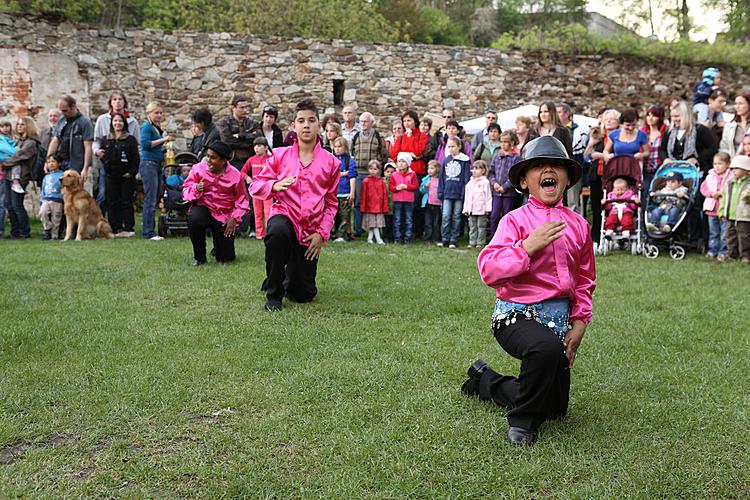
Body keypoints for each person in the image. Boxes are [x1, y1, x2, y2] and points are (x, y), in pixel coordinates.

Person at [463, 135, 595, 446]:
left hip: (558, 323)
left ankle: (485, 381)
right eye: (538, 166)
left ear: (565, 178)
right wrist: (526, 248)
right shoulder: (513, 221)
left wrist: (580, 322)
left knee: (555, 409)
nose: (548, 170)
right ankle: (522, 422)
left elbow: (586, 280)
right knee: (544, 350)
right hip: (515, 316)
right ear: (525, 180)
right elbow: (488, 269)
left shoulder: (579, 226)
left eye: (556, 166)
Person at [249, 99, 340, 312]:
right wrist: (275, 185)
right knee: (278, 232)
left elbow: (331, 203)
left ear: (319, 126)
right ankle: (273, 294)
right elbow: (256, 185)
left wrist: (321, 234)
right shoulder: (279, 156)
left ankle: (285, 271)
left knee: (302, 295)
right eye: (301, 121)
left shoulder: (331, 163)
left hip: (310, 230)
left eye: (311, 121)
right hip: (285, 214)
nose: (306, 125)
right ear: (293, 126)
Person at [183, 141, 250, 266]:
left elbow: (242, 200)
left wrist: (234, 218)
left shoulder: (235, 175)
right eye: (207, 156)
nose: (208, 160)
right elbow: (186, 189)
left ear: (224, 161)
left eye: (213, 157)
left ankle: (219, 248)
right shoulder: (198, 169)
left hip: (224, 214)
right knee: (194, 219)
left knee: (226, 258)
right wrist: (196, 188)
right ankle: (199, 257)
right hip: (204, 208)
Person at [93, 91, 140, 212]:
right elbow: (96, 140)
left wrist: (134, 168)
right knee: (104, 194)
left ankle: (125, 226)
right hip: (108, 163)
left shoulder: (132, 122)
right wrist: (97, 151)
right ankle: (100, 221)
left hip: (126, 164)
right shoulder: (102, 119)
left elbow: (137, 145)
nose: (117, 102)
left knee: (125, 197)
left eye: (120, 99)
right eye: (114, 99)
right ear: (110, 103)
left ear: (124, 102)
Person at [139, 102, 175, 240]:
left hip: (157, 163)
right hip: (149, 164)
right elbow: (146, 144)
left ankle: (150, 229)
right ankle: (148, 232)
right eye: (156, 113)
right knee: (150, 198)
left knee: (154, 197)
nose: (159, 115)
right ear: (149, 113)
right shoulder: (147, 126)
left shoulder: (155, 127)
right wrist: (164, 139)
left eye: (160, 113)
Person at [585, 109, 620, 246]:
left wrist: (599, 155)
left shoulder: (620, 136)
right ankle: (596, 238)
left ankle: (614, 236)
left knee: (613, 206)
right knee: (596, 208)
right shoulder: (598, 136)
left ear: (618, 122)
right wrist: (592, 144)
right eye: (606, 119)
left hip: (613, 176)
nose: (609, 121)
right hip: (596, 175)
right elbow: (587, 156)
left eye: (612, 119)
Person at [101, 112, 139, 238]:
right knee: (112, 202)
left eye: (120, 121)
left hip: (126, 176)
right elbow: (103, 156)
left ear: (124, 124)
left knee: (126, 202)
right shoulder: (106, 139)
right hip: (110, 176)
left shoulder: (130, 139)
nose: (118, 123)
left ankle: (128, 228)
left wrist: (131, 173)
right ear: (112, 123)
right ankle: (115, 227)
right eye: (115, 121)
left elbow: (135, 158)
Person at [350, 111, 388, 237]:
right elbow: (352, 153)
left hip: (374, 175)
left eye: (366, 121)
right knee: (358, 202)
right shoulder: (356, 136)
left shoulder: (377, 136)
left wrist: (379, 171)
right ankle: (358, 230)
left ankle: (377, 229)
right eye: (361, 121)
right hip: (359, 173)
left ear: (372, 122)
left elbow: (383, 154)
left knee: (376, 202)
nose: (363, 123)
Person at [1, 116, 38, 238]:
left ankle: (24, 232)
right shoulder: (18, 141)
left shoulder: (31, 143)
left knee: (17, 205)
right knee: (9, 204)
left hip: (20, 177)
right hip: (8, 176)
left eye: (22, 124)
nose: (19, 126)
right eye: (18, 124)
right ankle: (14, 232)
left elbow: (20, 156)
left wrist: (5, 163)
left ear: (29, 126)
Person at [46, 95, 94, 186]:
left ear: (73, 107)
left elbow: (88, 147)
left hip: (76, 163)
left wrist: (85, 168)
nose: (62, 113)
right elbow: (55, 141)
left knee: (74, 193)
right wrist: (48, 161)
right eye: (61, 110)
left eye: (65, 110)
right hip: (60, 161)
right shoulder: (62, 121)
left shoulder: (84, 122)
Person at [438, 136, 471, 248]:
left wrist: (464, 194)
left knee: (456, 216)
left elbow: (466, 179)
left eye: (453, 146)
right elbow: (441, 177)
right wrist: (440, 191)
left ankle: (453, 239)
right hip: (447, 193)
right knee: (446, 215)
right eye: (449, 146)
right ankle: (445, 238)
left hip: (458, 194)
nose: (451, 149)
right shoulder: (446, 160)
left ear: (459, 147)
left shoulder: (464, 160)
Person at [718, 155, 750, 263]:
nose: (734, 171)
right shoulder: (730, 183)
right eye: (732, 169)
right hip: (730, 215)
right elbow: (724, 198)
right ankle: (732, 255)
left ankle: (745, 256)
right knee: (730, 236)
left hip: (744, 216)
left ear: (746, 169)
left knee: (744, 237)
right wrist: (722, 211)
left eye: (737, 168)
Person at [558, 103, 589, 212]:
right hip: (558, 167)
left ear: (567, 114)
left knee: (572, 201)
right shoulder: (556, 130)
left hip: (573, 166)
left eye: (559, 112)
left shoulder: (579, 130)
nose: (557, 115)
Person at [700, 152, 732, 259]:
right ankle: (712, 250)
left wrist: (722, 193)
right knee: (713, 232)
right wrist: (710, 194)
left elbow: (731, 189)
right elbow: (703, 188)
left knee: (724, 232)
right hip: (712, 209)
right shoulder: (710, 176)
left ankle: (723, 251)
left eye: (720, 164)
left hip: (724, 209)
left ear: (727, 164)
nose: (717, 166)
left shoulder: (730, 176)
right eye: (715, 164)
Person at [488, 131, 520, 237]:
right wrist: (494, 183)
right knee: (494, 216)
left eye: (506, 142)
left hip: (509, 193)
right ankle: (494, 237)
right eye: (501, 142)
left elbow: (516, 175)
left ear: (512, 143)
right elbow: (491, 172)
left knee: (507, 216)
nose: (503, 144)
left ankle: (506, 238)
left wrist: (505, 186)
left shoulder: (516, 158)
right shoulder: (497, 156)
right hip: (496, 192)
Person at [241, 137, 274, 239]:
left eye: (259, 146)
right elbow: (242, 172)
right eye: (255, 146)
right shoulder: (251, 160)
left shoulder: (271, 159)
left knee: (268, 212)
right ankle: (260, 234)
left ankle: (270, 233)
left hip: (268, 190)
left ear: (265, 147)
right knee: (258, 212)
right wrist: (247, 178)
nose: (256, 148)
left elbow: (278, 171)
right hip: (256, 190)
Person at [217, 95, 260, 170]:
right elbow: (227, 141)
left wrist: (241, 136)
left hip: (250, 160)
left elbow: (258, 138)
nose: (245, 110)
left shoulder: (252, 123)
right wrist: (249, 142)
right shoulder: (225, 122)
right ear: (233, 108)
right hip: (233, 160)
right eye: (242, 108)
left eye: (246, 107)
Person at [641, 105, 667, 209]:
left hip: (660, 170)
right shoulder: (642, 133)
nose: (650, 118)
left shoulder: (665, 133)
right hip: (646, 170)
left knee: (660, 196)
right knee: (645, 197)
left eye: (654, 116)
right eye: (648, 115)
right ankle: (643, 222)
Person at [331, 137, 357, 242]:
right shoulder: (332, 160)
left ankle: (341, 235)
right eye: (335, 147)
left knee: (345, 215)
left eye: (339, 146)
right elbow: (330, 175)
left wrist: (352, 192)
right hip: (334, 193)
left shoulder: (349, 161)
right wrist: (343, 173)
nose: (337, 149)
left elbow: (352, 177)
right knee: (334, 215)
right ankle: (335, 233)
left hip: (345, 192)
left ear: (345, 147)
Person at [389, 152, 419, 243]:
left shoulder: (412, 174)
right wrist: (396, 188)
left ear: (408, 163)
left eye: (403, 161)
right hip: (397, 200)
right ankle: (397, 238)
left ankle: (407, 238)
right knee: (397, 220)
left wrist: (406, 187)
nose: (401, 163)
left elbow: (415, 186)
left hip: (408, 201)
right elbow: (391, 186)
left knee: (408, 220)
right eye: (399, 161)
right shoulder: (394, 174)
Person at [462, 160, 492, 248]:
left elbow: (488, 196)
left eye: (477, 169)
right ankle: (472, 241)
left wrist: (487, 208)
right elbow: (467, 198)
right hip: (471, 210)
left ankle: (480, 242)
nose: (474, 171)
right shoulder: (469, 183)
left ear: (483, 171)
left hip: (481, 209)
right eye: (473, 169)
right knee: (472, 226)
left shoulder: (485, 182)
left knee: (481, 226)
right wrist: (466, 209)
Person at [360, 159, 388, 244]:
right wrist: (363, 207)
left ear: (379, 170)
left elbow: (384, 196)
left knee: (376, 224)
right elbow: (363, 195)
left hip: (379, 207)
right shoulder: (366, 181)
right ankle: (378, 239)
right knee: (372, 224)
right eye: (371, 168)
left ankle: (370, 238)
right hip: (369, 207)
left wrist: (385, 207)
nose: (373, 171)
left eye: (375, 169)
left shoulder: (381, 182)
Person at [39, 153, 65, 240]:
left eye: (53, 161)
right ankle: (47, 228)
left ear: (59, 163)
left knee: (56, 219)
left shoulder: (62, 175)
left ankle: (54, 236)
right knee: (42, 213)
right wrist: (42, 199)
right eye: (48, 162)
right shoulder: (46, 177)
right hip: (46, 199)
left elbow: (64, 188)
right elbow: (43, 189)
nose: (51, 164)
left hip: (57, 200)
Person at [720, 93, 750, 158]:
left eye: (741, 103)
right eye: (736, 104)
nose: (737, 107)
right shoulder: (729, 125)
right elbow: (724, 147)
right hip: (735, 162)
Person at [419, 160, 442, 245]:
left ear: (437, 169)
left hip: (438, 204)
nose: (429, 170)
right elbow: (421, 190)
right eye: (428, 168)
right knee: (428, 222)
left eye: (432, 168)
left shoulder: (440, 180)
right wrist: (425, 187)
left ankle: (436, 238)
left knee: (436, 223)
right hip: (428, 204)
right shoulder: (426, 179)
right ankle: (427, 238)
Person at [382, 162, 396, 243]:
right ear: (384, 172)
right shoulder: (382, 181)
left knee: (393, 222)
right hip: (385, 206)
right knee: (385, 222)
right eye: (388, 172)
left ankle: (392, 236)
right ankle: (385, 236)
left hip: (393, 206)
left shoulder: (396, 181)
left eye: (392, 172)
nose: (390, 174)